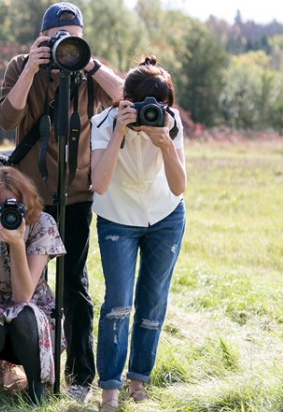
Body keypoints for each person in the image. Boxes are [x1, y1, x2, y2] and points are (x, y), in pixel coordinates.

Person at [0, 1, 123, 403]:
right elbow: (6, 119)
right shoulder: (22, 66)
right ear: (41, 38)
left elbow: (125, 98)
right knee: (27, 285)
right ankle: (32, 369)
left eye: (73, 39)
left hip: (77, 195)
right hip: (30, 195)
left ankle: (80, 376)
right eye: (56, 39)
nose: (64, 47)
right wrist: (34, 66)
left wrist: (90, 64)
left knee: (73, 285)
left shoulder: (88, 72)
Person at [90, 56, 186, 412]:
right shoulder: (103, 122)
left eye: (158, 106)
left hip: (165, 215)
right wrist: (118, 131)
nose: (151, 112)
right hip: (118, 217)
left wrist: (164, 144)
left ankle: (138, 383)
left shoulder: (170, 123)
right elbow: (99, 185)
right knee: (117, 303)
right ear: (123, 100)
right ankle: (110, 390)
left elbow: (179, 187)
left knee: (153, 301)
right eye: (142, 105)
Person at [0, 166, 66, 404]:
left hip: (31, 309)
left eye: (13, 206)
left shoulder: (41, 224)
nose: (7, 214)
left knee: (24, 314)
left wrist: (17, 243)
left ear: (25, 202)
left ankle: (36, 385)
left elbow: (23, 296)